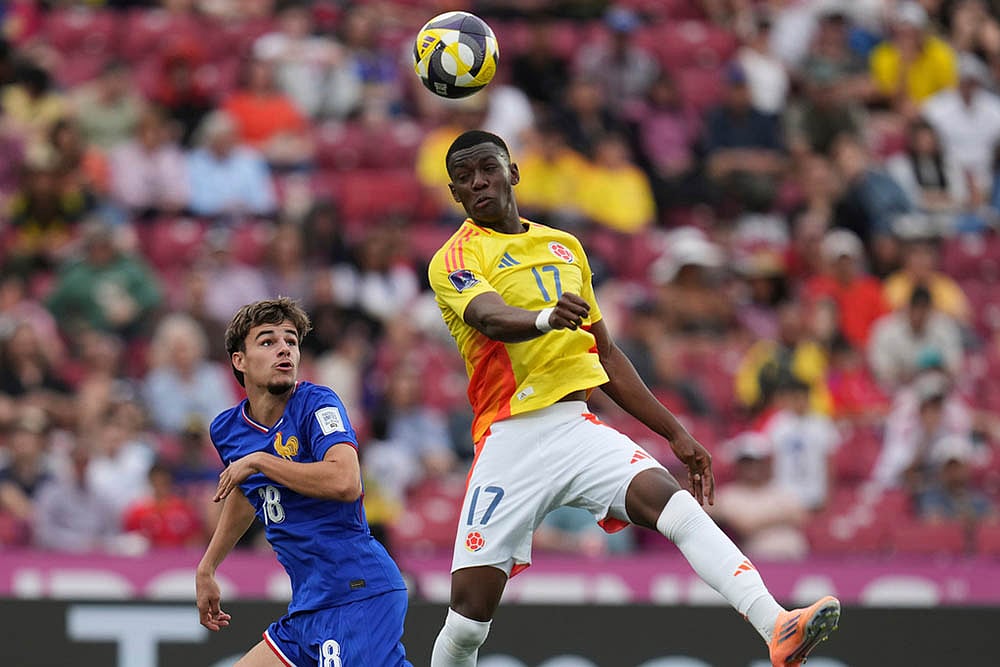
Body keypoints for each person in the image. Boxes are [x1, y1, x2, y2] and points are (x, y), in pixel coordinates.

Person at [426, 130, 840, 667]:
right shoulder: (453, 256)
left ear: (514, 172)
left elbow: (608, 356)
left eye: (487, 167)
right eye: (464, 177)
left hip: (577, 426)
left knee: (676, 508)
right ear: (455, 194)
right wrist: (546, 318)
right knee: (466, 623)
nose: (478, 181)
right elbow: (487, 317)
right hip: (509, 438)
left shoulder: (565, 247)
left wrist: (676, 432)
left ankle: (776, 623)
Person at [195, 297, 410, 666]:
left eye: (291, 341)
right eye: (268, 341)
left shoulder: (317, 404)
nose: (284, 349)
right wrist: (208, 566)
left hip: (355, 592)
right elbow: (250, 493)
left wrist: (263, 460)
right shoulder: (227, 429)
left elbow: (346, 481)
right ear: (239, 361)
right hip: (308, 604)